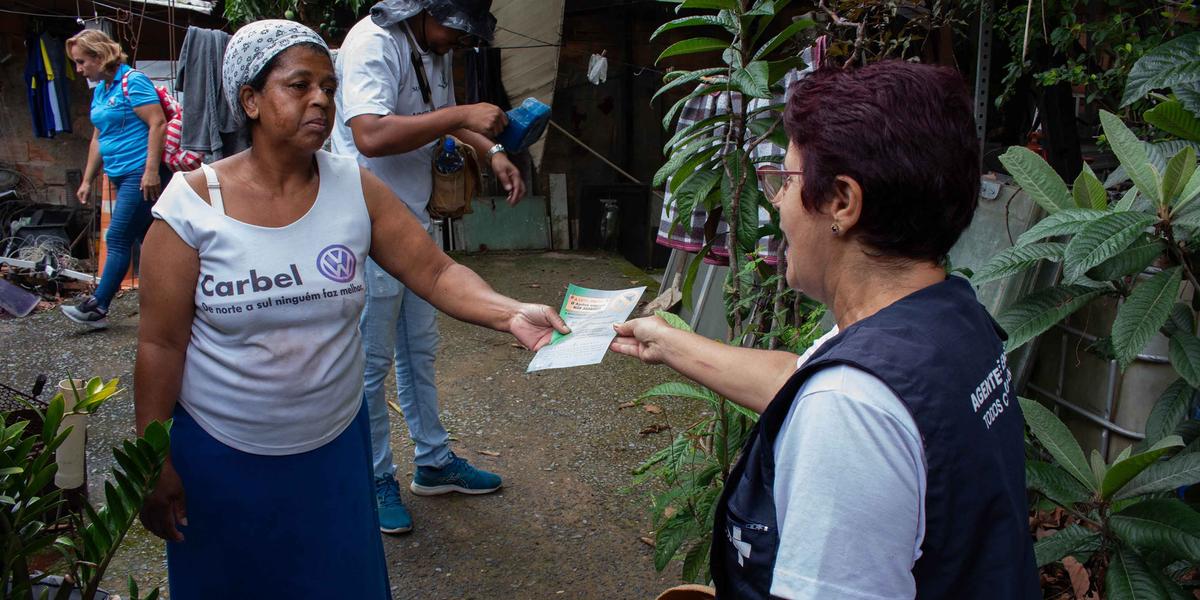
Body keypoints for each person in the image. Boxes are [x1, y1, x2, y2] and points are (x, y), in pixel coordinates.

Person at [133, 21, 566, 598]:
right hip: (220, 454)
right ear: (251, 100)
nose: (322, 100)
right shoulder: (192, 206)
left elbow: (435, 271)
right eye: (300, 85)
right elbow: (160, 345)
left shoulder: (352, 188)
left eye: (330, 88)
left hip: (333, 450)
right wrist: (153, 459)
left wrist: (509, 311)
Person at [612, 62, 1040, 599]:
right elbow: (799, 377)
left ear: (841, 201)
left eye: (784, 182)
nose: (776, 206)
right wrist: (667, 341)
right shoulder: (945, 316)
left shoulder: (849, 408)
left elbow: (841, 404)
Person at [331, 0, 523, 534]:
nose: (455, 42)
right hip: (365, 225)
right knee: (371, 365)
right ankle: (374, 477)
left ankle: (434, 462)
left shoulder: (431, 44)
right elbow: (370, 133)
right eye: (452, 29)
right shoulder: (374, 42)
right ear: (419, 10)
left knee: (419, 349)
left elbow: (439, 117)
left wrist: (491, 150)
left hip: (414, 218)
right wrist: (463, 117)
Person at [62, 29, 170, 329]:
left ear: (99, 56)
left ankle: (97, 306)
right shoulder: (101, 90)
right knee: (148, 240)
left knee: (118, 237)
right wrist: (87, 179)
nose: (79, 69)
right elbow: (98, 138)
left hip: (140, 173)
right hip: (119, 174)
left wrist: (150, 171)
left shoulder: (131, 81)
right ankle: (168, 299)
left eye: (82, 62)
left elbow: (157, 123)